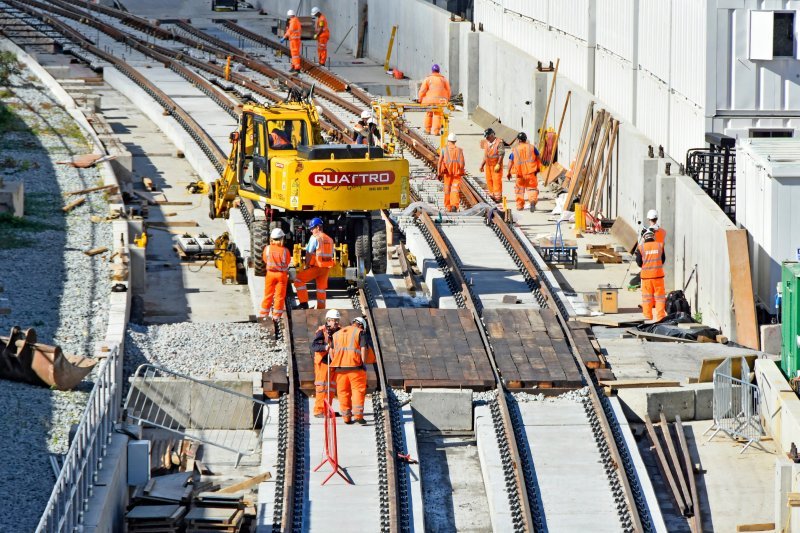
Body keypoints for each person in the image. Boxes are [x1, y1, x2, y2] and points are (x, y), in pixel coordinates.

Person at [331, 316, 376, 425]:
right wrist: (363, 362)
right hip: (356, 368)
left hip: (340, 369)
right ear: (361, 325)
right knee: (357, 391)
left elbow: (331, 351)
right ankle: (358, 416)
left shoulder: (336, 334)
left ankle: (346, 418)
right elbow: (363, 348)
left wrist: (337, 362)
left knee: (343, 393)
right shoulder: (360, 332)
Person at [293, 217, 335, 310]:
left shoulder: (315, 238)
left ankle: (304, 304)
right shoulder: (330, 239)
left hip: (316, 267)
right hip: (325, 268)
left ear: (318, 227)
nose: (311, 231)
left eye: (312, 228)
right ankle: (321, 309)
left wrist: (307, 265)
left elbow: (309, 252)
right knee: (321, 289)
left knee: (298, 280)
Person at [310, 309, 341, 418]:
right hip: (323, 362)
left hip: (333, 362)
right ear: (328, 320)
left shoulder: (340, 331)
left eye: (337, 320)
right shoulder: (321, 331)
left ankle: (327, 410)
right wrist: (325, 347)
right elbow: (314, 347)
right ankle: (319, 410)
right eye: (333, 320)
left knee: (331, 388)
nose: (336, 322)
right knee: (322, 387)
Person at [258, 228, 291, 323]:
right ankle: (276, 317)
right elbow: (288, 261)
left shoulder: (267, 249)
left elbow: (264, 259)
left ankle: (263, 315)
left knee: (268, 295)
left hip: (270, 275)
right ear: (282, 239)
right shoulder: (285, 251)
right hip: (281, 275)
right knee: (279, 296)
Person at [635, 229, 667, 321]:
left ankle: (647, 317)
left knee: (647, 298)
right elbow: (663, 260)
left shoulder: (641, 247)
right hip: (658, 277)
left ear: (644, 237)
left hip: (646, 278)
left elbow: (639, 263)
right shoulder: (659, 246)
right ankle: (661, 318)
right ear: (653, 236)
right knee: (660, 298)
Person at [506, 132, 542, 212]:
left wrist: (508, 172)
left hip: (520, 175)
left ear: (518, 140)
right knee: (532, 189)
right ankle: (532, 201)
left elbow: (510, 162)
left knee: (519, 191)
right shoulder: (532, 147)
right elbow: (539, 158)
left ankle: (519, 206)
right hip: (531, 173)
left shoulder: (515, 150)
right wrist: (538, 168)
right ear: (525, 139)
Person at [417, 64, 451, 136]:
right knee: (437, 115)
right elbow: (448, 91)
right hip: (440, 101)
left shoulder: (428, 79)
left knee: (429, 114)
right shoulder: (443, 79)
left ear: (432, 71)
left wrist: (420, 99)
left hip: (429, 101)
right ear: (439, 71)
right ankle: (436, 132)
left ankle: (427, 130)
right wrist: (447, 100)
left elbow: (422, 90)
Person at [437, 132, 465, 212]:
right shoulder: (459, 150)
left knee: (447, 190)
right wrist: (461, 171)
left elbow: (439, 162)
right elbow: (462, 163)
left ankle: (448, 206)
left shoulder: (443, 150)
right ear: (455, 141)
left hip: (447, 174)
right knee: (454, 190)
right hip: (456, 175)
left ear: (448, 141)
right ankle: (454, 206)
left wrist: (439, 173)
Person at [479, 128, 505, 203]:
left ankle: (498, 197)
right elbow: (486, 156)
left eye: (488, 137)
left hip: (496, 165)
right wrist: (482, 165)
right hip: (488, 165)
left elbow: (501, 154)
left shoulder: (499, 143)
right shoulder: (486, 143)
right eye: (486, 137)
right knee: (489, 180)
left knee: (496, 180)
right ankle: (492, 195)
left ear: (492, 135)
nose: (486, 138)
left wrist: (498, 164)